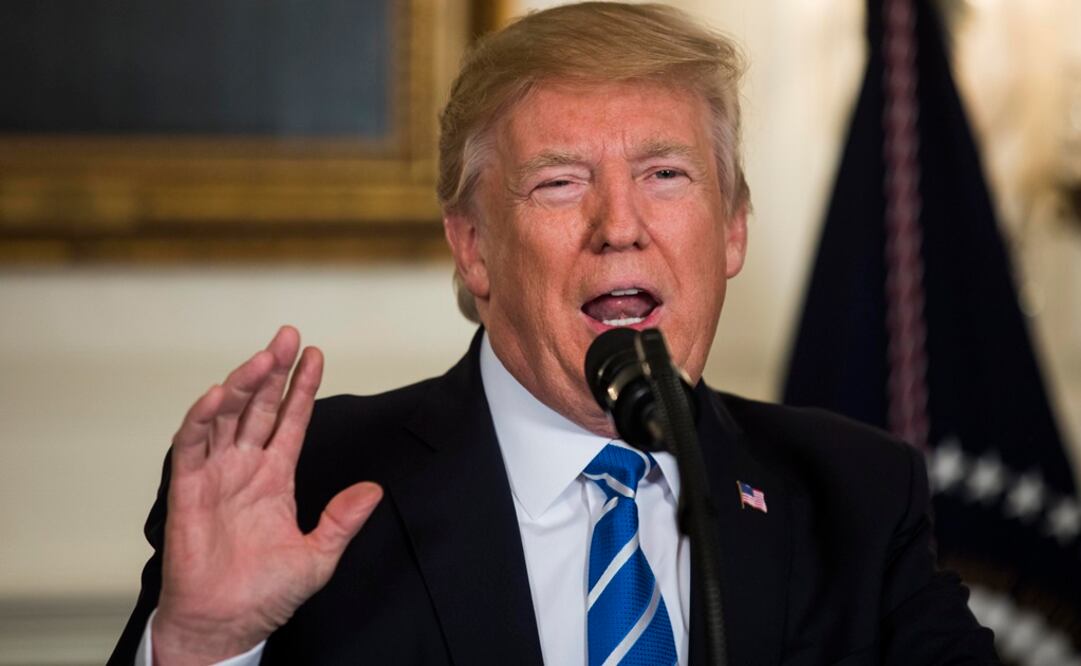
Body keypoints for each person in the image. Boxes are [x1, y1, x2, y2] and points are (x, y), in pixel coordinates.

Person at [110, 3, 998, 664]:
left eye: (664, 173)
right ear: (473, 247)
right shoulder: (309, 482)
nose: (620, 225)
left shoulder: (854, 494)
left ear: (732, 228)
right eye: (560, 183)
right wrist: (202, 647)